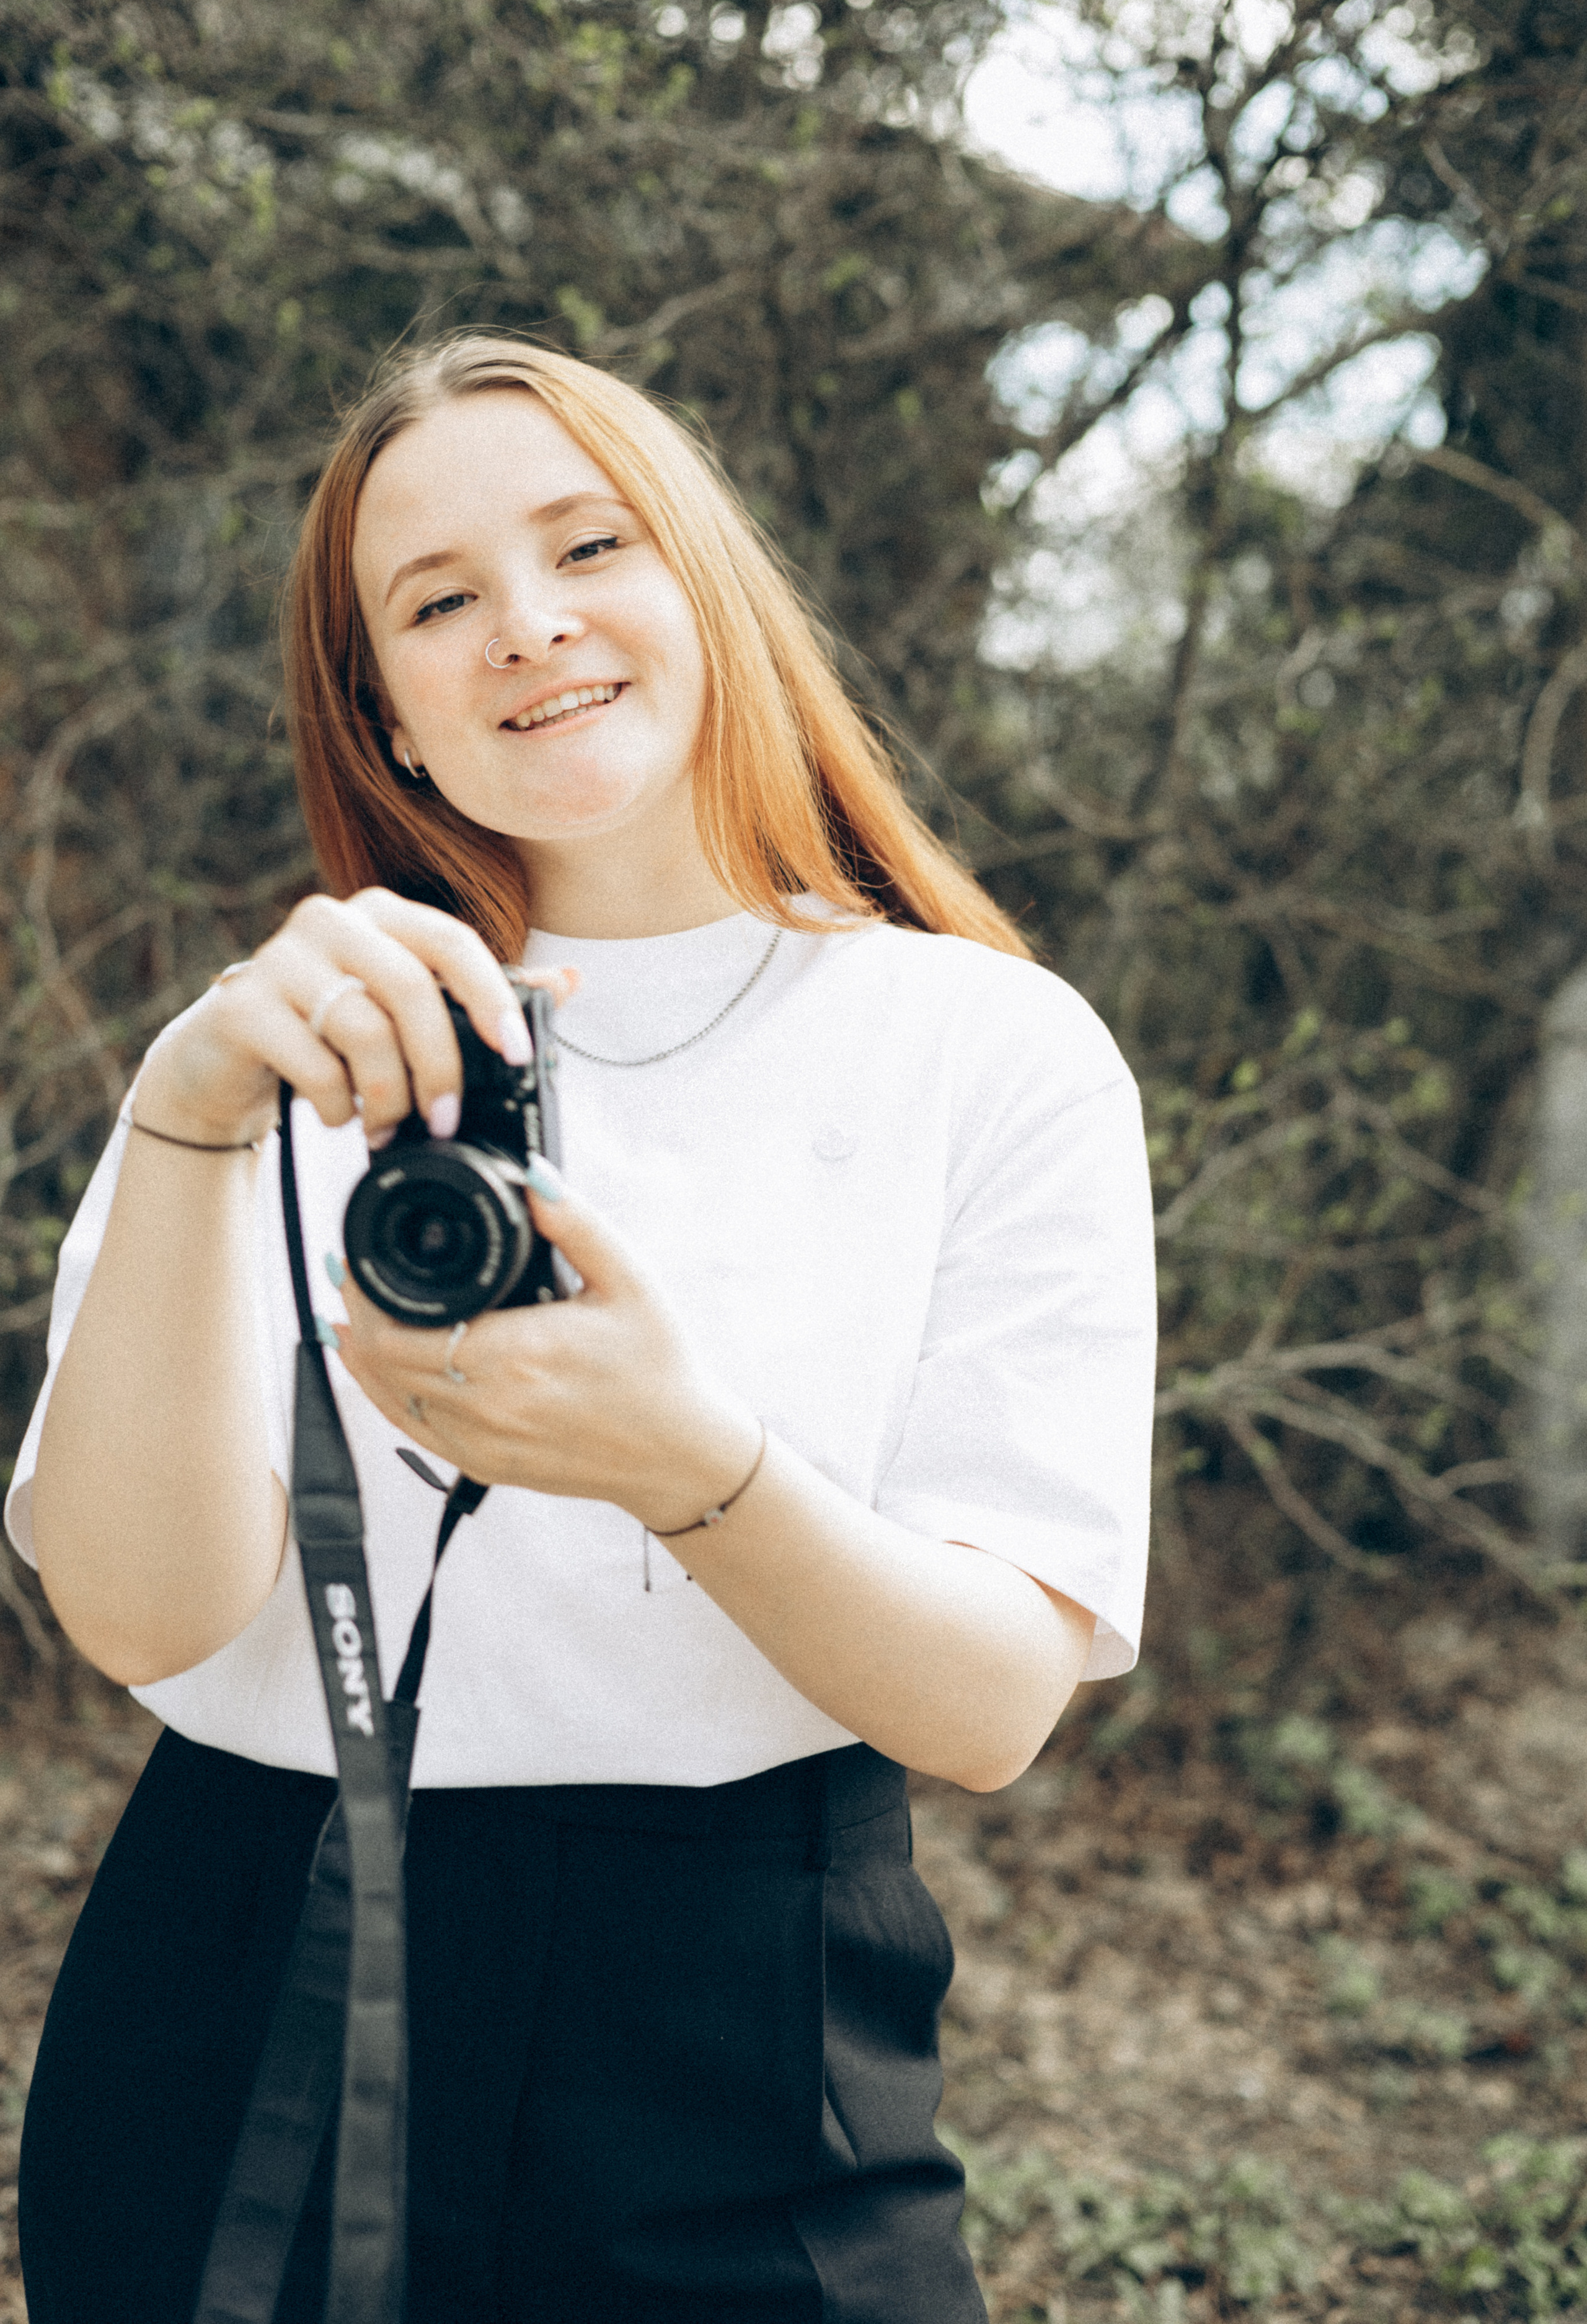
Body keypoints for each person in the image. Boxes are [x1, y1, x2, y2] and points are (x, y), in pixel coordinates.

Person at [6, 334, 1157, 2324]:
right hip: (245, 1970)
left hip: (739, 2014)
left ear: (706, 580)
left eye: (588, 545)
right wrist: (191, 1116)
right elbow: (139, 1619)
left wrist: (692, 1469)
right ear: (386, 715)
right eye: (436, 600)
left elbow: (986, 1709)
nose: (528, 625)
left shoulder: (988, 1049)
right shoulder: (283, 1044)